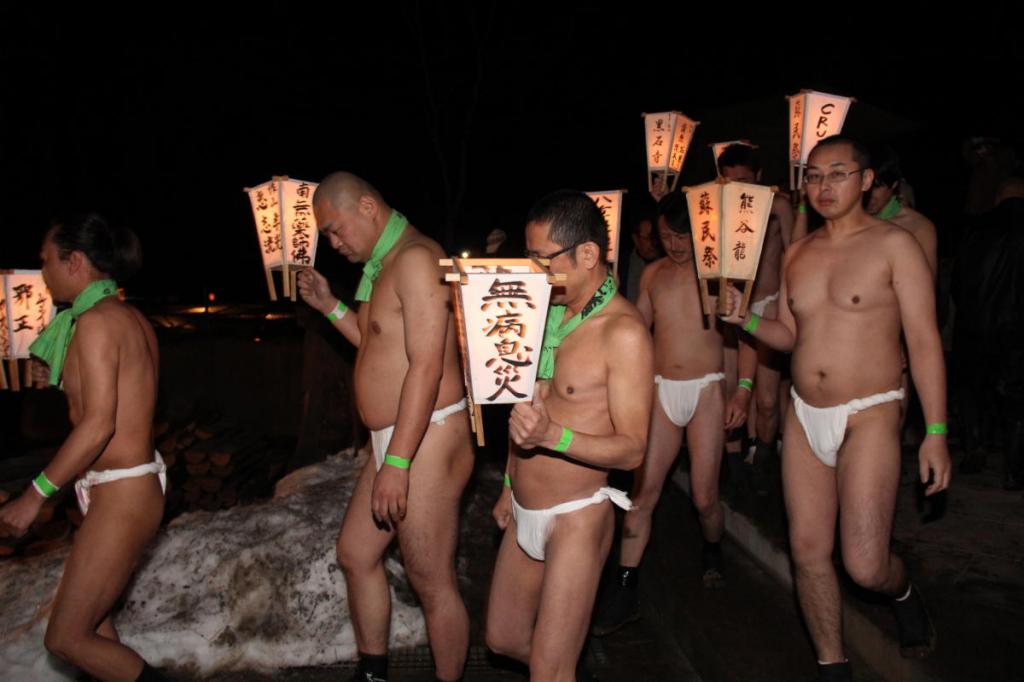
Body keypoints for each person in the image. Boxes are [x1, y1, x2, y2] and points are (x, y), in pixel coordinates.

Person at [720, 136, 951, 681]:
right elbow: (789, 334)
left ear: (866, 180)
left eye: (839, 174)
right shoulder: (799, 254)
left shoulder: (897, 246)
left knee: (866, 566)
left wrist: (936, 431)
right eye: (815, 177)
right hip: (805, 412)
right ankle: (832, 667)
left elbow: (923, 341)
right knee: (806, 550)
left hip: (870, 411)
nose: (824, 187)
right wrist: (745, 320)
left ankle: (904, 593)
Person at [296, 172, 473, 682]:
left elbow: (426, 366)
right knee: (355, 554)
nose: (332, 242)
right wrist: (330, 306)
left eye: (334, 229)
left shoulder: (418, 259)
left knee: (431, 580)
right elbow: (375, 343)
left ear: (368, 207)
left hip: (426, 439)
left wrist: (396, 461)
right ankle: (373, 672)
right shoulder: (382, 263)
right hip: (397, 439)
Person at [484, 190, 654, 681]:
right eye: (530, 257)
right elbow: (528, 408)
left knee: (549, 668)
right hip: (524, 506)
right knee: (503, 639)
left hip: (578, 515)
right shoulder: (544, 315)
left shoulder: (622, 333)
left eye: (543, 259)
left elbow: (634, 448)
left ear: (587, 254)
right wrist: (508, 484)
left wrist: (554, 436)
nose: (534, 271)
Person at [0, 213, 170, 681]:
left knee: (66, 638)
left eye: (47, 261)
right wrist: (58, 378)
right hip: (123, 488)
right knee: (96, 628)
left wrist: (35, 495)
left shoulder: (96, 323)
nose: (43, 272)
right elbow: (116, 394)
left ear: (74, 262)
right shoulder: (124, 316)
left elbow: (98, 425)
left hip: (123, 492)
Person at [717, 143, 794, 491]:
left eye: (745, 180)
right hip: (732, 305)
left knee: (765, 398)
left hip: (769, 305)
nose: (739, 189)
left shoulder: (778, 207)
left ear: (759, 177)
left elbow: (796, 256)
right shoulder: (718, 209)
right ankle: (739, 461)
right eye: (731, 182)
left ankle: (765, 459)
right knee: (732, 389)